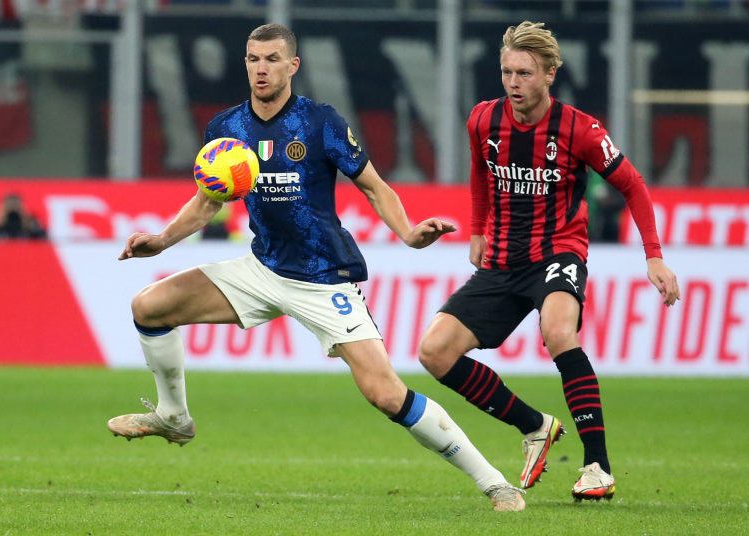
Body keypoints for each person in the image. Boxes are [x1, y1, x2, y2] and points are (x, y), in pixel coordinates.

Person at [107, 23, 526, 512]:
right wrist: (160, 240)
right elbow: (207, 202)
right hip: (263, 269)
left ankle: (495, 483)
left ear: (292, 66)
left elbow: (373, 186)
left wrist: (410, 233)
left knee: (386, 394)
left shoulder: (319, 122)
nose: (260, 68)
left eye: (271, 59)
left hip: (324, 278)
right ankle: (174, 417)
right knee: (150, 306)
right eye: (252, 59)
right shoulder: (226, 128)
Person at [417, 21, 680, 501]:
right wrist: (477, 228)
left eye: (524, 73)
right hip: (501, 259)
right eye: (506, 72)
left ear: (550, 74)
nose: (513, 83)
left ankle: (597, 466)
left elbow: (633, 185)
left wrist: (654, 257)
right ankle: (534, 425)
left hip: (558, 250)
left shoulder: (579, 128)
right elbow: (480, 171)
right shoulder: (482, 120)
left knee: (559, 332)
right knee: (434, 352)